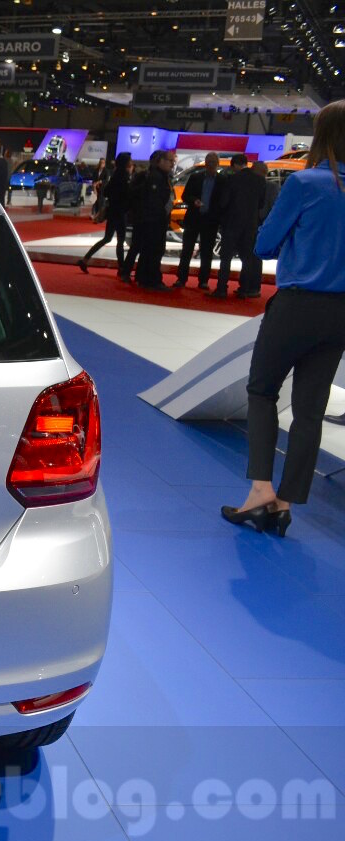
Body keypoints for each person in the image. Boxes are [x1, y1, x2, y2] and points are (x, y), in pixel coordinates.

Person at [221, 99, 345, 537]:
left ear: (322, 136)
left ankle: (260, 491)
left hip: (298, 305)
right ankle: (286, 504)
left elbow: (263, 245)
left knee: (262, 390)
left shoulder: (306, 184)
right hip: (341, 313)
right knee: (311, 409)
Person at [211, 153, 265, 299]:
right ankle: (244, 289)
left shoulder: (232, 179)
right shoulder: (259, 181)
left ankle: (222, 289)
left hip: (232, 224)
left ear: (234, 165)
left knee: (226, 257)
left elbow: (224, 202)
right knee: (247, 258)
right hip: (250, 225)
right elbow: (261, 203)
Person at [173, 152, 222, 290]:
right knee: (186, 251)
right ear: (205, 163)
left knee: (206, 253)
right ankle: (181, 279)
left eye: (213, 161)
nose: (211, 164)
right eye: (209, 161)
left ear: (217, 163)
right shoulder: (195, 177)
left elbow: (223, 201)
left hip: (210, 221)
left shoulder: (222, 180)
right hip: (194, 219)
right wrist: (194, 200)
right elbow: (185, 195)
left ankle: (203, 281)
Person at [79, 152, 132, 274]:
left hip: (113, 211)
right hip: (120, 211)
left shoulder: (115, 175)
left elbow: (107, 192)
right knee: (120, 241)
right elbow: (127, 195)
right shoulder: (124, 176)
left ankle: (85, 259)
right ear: (126, 162)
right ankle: (121, 268)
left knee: (107, 238)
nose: (131, 162)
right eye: (130, 160)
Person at [133, 149, 175, 290]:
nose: (172, 163)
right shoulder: (156, 177)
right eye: (170, 160)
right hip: (154, 220)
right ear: (161, 161)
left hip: (156, 220)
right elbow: (154, 201)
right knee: (153, 250)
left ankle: (145, 278)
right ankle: (151, 279)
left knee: (151, 250)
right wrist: (160, 214)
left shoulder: (163, 177)